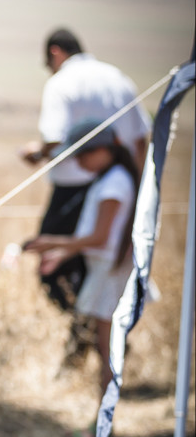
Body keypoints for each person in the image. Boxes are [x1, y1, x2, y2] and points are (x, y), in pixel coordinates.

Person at [19, 29, 150, 333]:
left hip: (72, 190)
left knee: (56, 270)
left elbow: (54, 139)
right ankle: (93, 333)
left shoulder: (61, 82)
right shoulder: (118, 78)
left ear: (55, 53)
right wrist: (139, 190)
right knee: (93, 267)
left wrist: (36, 152)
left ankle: (90, 332)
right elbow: (140, 139)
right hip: (125, 184)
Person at [24, 120, 140, 406]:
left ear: (105, 149)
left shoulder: (114, 183)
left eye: (83, 154)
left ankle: (104, 419)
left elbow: (100, 238)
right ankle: (102, 417)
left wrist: (52, 242)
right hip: (105, 269)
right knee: (104, 347)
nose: (78, 161)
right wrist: (61, 254)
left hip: (108, 274)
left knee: (107, 349)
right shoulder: (109, 178)